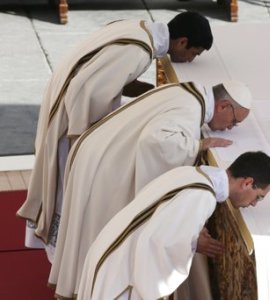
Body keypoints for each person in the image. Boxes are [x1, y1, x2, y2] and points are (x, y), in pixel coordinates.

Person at [16, 11, 213, 256]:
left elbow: (116, 79)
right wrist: (95, 136)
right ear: (182, 41)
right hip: (72, 121)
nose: (190, 60)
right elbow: (86, 89)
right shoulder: (138, 51)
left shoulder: (138, 29)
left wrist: (155, 95)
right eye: (193, 53)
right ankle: (66, 255)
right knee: (70, 187)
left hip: (62, 96)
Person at [49, 80, 253, 299]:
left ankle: (85, 286)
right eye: (233, 122)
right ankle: (87, 288)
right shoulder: (190, 113)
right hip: (106, 167)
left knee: (99, 240)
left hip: (100, 151)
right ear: (223, 106)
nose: (230, 128)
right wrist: (196, 146)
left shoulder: (190, 93)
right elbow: (154, 142)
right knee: (97, 230)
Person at [77, 151, 270, 300]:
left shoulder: (192, 173)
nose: (253, 204)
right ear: (247, 183)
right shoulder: (203, 197)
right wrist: (193, 243)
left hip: (110, 250)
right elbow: (162, 243)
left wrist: (192, 231)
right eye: (258, 197)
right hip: (122, 274)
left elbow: (167, 217)